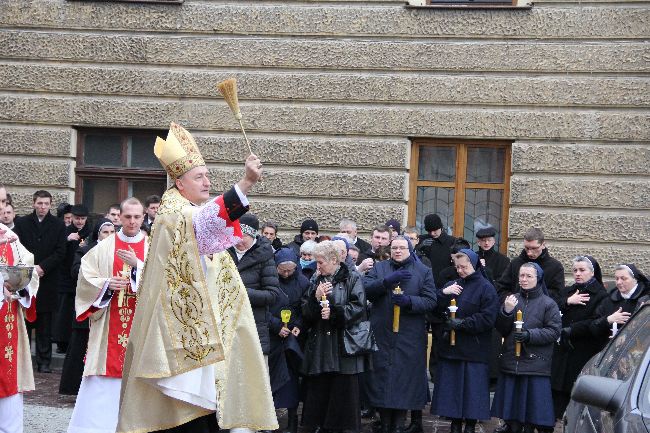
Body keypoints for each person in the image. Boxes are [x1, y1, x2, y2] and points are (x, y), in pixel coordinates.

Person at [117, 123, 276, 433]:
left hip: (203, 327)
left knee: (205, 412)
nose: (207, 182)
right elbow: (204, 225)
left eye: (207, 175)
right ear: (180, 182)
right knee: (183, 414)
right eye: (199, 177)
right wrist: (245, 183)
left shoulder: (189, 207)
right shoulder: (173, 211)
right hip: (181, 331)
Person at [66, 198, 147, 433]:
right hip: (108, 326)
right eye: (127, 217)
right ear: (119, 217)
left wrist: (138, 267)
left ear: (143, 218)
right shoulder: (103, 247)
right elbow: (85, 277)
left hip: (140, 326)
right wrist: (105, 285)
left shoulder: (152, 246)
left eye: (136, 217)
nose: (132, 221)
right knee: (103, 380)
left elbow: (164, 283)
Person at [362, 236, 437, 433]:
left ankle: (399, 425)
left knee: (404, 380)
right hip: (383, 333)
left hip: (408, 335)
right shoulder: (380, 269)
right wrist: (386, 283)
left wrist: (409, 301)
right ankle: (384, 423)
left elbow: (430, 301)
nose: (397, 251)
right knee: (383, 378)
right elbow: (366, 290)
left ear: (410, 249)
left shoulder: (423, 271)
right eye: (394, 248)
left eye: (402, 248)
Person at [301, 241, 370, 433]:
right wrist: (315, 299)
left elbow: (359, 307)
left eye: (321, 262)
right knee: (320, 394)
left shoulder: (352, 277)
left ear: (333, 260)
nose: (317, 266)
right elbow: (305, 312)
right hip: (321, 347)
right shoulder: (316, 280)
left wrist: (334, 313)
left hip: (344, 347)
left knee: (344, 396)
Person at [430, 249, 498, 433]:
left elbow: (488, 318)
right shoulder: (453, 285)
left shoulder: (486, 288)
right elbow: (434, 309)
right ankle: (455, 424)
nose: (460, 271)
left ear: (474, 264)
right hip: (451, 349)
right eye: (457, 267)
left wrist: (463, 324)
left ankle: (469, 425)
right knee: (452, 391)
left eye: (464, 267)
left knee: (471, 392)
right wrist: (443, 293)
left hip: (473, 350)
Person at [491, 263, 562, 433]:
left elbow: (554, 331)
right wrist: (506, 312)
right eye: (521, 276)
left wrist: (529, 335)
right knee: (512, 411)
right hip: (512, 361)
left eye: (529, 276)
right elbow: (501, 329)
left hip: (534, 364)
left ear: (538, 278)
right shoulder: (512, 299)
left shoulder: (548, 304)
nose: (524, 279)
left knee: (531, 412)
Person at [59, 218, 115, 396]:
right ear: (97, 233)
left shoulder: (119, 251)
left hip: (110, 309)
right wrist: (100, 280)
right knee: (80, 347)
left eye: (112, 232)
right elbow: (76, 271)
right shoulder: (85, 249)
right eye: (105, 232)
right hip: (89, 305)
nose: (109, 236)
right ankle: (73, 388)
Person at [13, 189, 67, 373]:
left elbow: (61, 252)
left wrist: (42, 267)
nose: (42, 207)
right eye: (39, 203)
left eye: (46, 204)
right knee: (25, 321)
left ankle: (44, 362)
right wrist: (29, 267)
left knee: (45, 323)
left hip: (47, 279)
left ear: (50, 205)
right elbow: (16, 248)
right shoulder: (21, 223)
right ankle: (24, 360)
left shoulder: (59, 225)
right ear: (34, 203)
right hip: (25, 279)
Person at [0, 186, 39, 433]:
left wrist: (19, 287)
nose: (2, 207)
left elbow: (28, 267)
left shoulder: (8, 235)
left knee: (8, 377)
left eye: (4, 201)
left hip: (7, 321)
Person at [550, 256, 608, 419]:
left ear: (592, 272)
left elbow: (595, 322)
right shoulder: (568, 291)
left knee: (577, 392)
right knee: (557, 391)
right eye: (575, 270)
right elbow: (552, 308)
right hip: (563, 350)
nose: (577, 274)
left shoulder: (601, 295)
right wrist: (568, 301)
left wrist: (572, 330)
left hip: (584, 349)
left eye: (582, 270)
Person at [227, 213, 280, 360]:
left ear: (253, 236)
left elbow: (272, 294)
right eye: (235, 235)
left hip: (254, 327)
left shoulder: (265, 257)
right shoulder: (224, 252)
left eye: (243, 236)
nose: (238, 240)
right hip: (227, 327)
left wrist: (242, 292)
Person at [268, 248, 309, 433]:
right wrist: (276, 326)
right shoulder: (268, 281)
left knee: (291, 381)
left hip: (294, 339)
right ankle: (268, 419)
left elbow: (305, 307)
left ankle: (292, 420)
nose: (286, 274)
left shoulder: (302, 282)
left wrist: (298, 324)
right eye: (282, 270)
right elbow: (261, 309)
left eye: (290, 270)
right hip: (273, 337)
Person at [55, 204, 92, 355]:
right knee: (64, 313)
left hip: (83, 278)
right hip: (66, 278)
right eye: (77, 218)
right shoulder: (65, 231)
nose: (79, 222)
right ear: (72, 218)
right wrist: (66, 239)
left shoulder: (90, 232)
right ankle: (61, 342)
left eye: (82, 219)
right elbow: (56, 250)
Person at [495, 227, 564, 305]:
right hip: (516, 310)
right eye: (527, 248)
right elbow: (501, 289)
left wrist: (534, 298)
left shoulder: (555, 266)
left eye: (534, 248)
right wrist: (514, 300)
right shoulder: (515, 263)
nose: (529, 253)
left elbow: (558, 295)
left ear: (543, 245)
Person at [590, 264, 649, 347]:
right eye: (616, 278)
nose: (619, 282)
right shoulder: (608, 300)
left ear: (635, 279)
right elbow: (593, 328)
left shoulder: (646, 298)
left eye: (623, 278)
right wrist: (608, 320)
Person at [416, 214, 456, 285]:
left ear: (441, 227)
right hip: (425, 282)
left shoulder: (452, 241)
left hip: (445, 283)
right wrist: (419, 248)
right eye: (429, 231)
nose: (432, 233)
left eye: (435, 230)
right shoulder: (421, 239)